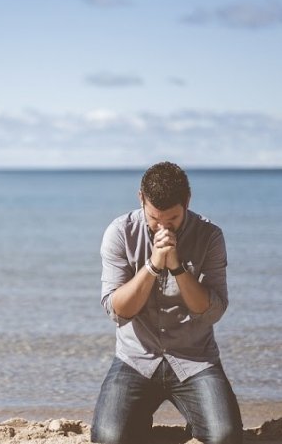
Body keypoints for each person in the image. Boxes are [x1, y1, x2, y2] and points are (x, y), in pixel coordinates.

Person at [91, 161, 242, 444]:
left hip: (195, 359)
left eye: (171, 219)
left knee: (225, 437)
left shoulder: (209, 235)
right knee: (107, 438)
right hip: (135, 359)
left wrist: (177, 268)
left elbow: (211, 312)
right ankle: (138, 421)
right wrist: (152, 266)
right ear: (141, 200)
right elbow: (117, 310)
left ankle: (195, 420)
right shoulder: (121, 232)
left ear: (187, 201)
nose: (162, 227)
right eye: (154, 218)